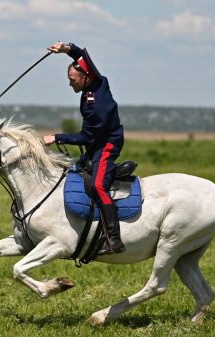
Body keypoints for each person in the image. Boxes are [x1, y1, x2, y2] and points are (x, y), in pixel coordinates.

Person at [43, 41, 125, 255]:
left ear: (85, 77)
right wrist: (66, 48)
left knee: (98, 186)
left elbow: (87, 137)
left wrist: (56, 137)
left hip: (107, 144)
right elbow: (81, 56)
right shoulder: (95, 82)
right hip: (96, 140)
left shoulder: (98, 104)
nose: (70, 84)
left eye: (72, 80)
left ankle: (114, 239)